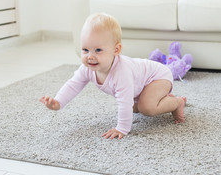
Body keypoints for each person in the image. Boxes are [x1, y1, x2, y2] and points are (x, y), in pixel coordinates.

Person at [40, 13, 186, 140]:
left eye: (98, 50)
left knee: (146, 107)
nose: (90, 56)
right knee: (135, 108)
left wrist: (122, 128)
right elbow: (73, 85)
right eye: (85, 50)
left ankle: (177, 102)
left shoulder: (121, 73)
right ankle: (162, 98)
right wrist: (58, 102)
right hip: (140, 84)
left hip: (157, 76)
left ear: (116, 50)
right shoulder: (87, 69)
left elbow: (124, 102)